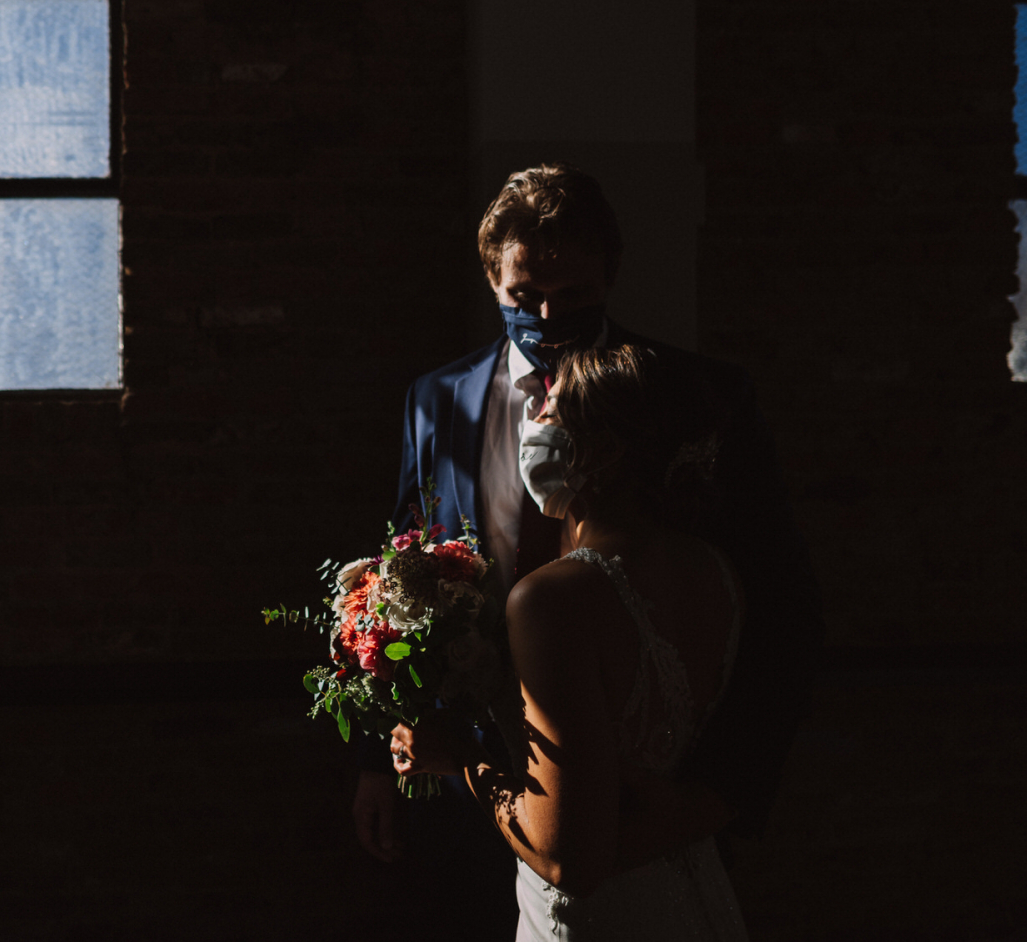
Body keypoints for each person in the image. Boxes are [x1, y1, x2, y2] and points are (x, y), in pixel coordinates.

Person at [352, 164, 822, 936]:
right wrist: (383, 756)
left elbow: (782, 606)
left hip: (648, 799)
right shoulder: (437, 401)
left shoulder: (695, 398)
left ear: (610, 271)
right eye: (525, 295)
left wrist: (711, 798)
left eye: (572, 293)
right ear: (491, 278)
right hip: (472, 783)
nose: (548, 315)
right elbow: (403, 573)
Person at [391, 344, 749, 940]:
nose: (532, 425)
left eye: (549, 412)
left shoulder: (552, 599)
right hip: (693, 893)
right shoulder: (715, 570)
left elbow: (567, 862)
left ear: (602, 451)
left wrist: (462, 762)